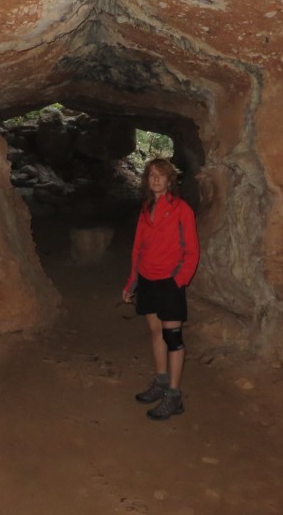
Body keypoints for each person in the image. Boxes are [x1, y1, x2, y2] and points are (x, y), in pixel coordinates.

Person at [122, 158, 199, 420]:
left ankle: (174, 396)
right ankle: (161, 382)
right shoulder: (146, 209)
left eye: (161, 175)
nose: (155, 179)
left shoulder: (181, 209)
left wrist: (179, 280)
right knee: (156, 331)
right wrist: (132, 281)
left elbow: (191, 250)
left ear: (170, 180)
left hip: (170, 281)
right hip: (147, 279)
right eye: (151, 175)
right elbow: (137, 248)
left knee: (173, 338)